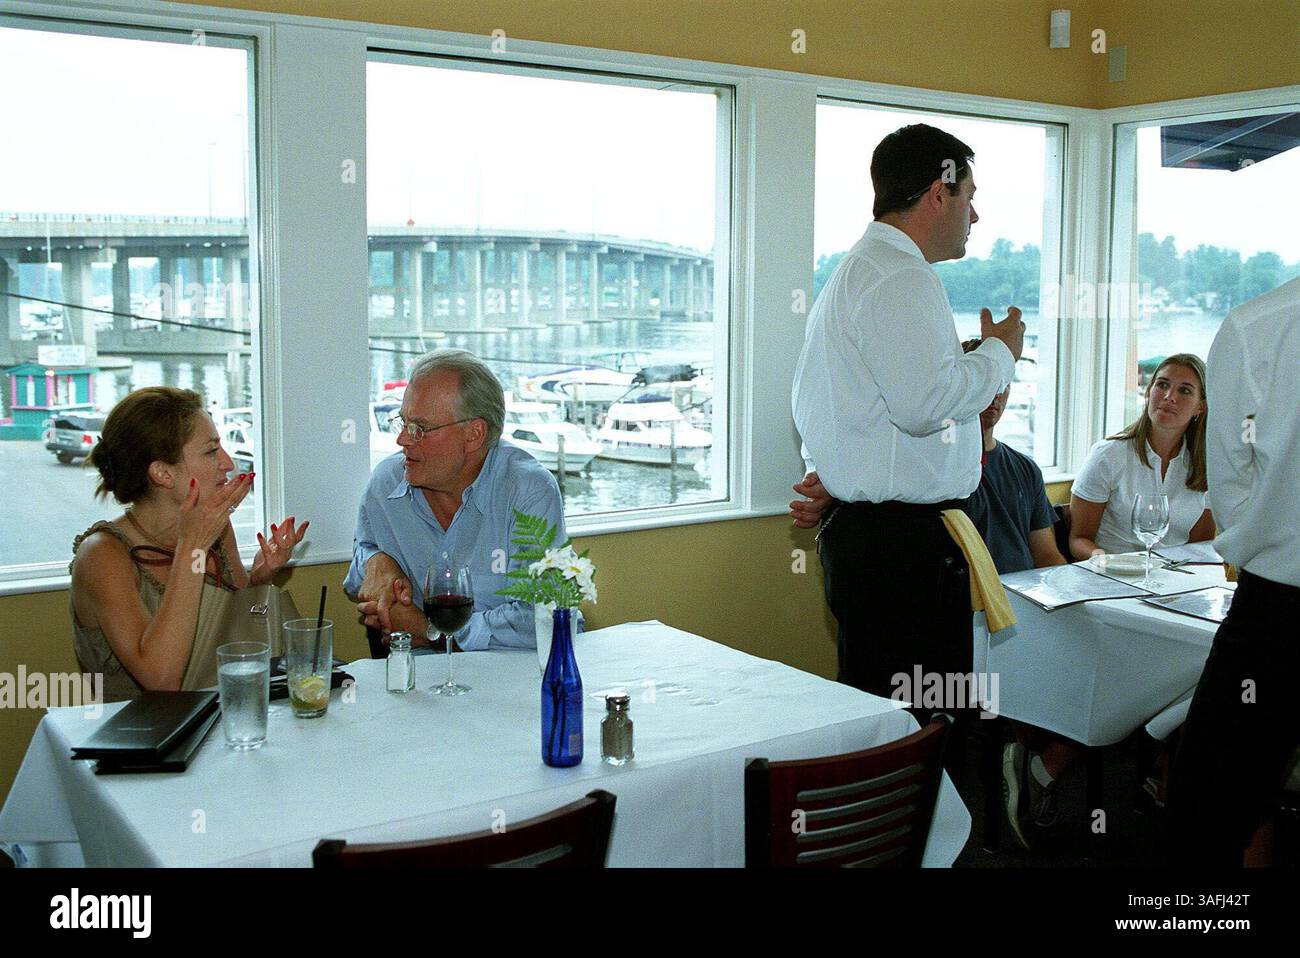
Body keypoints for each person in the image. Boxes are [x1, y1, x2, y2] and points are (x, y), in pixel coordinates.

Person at [790, 123, 1023, 721]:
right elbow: (925, 405)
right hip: (906, 552)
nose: (976, 216)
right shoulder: (900, 277)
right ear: (937, 193)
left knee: (891, 723)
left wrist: (836, 477)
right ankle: (930, 818)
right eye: (970, 197)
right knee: (923, 729)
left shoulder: (858, 273)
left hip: (880, 542)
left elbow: (816, 402)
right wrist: (1000, 353)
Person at [1168, 277, 1300, 867]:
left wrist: (1258, 546)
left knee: (1210, 800)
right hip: (1277, 598)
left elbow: (1232, 481)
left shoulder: (1258, 326)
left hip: (1280, 607)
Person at [70, 386, 308, 700]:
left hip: (221, 719)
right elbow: (162, 679)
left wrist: (261, 578)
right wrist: (194, 545)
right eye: (211, 451)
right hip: (144, 738)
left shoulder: (216, 530)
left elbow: (235, 629)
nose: (228, 463)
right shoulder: (103, 556)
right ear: (162, 473)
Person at [345, 348, 567, 650]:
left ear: (473, 434)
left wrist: (432, 631)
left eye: (420, 429)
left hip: (509, 682)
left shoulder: (527, 491)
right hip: (418, 686)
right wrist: (375, 561)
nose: (402, 440)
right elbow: (360, 564)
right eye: (403, 423)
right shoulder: (387, 484)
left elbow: (548, 616)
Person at [1067, 353, 1215, 560]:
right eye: (1162, 385)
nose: (1169, 396)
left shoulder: (1206, 467)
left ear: (1200, 406)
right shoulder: (1108, 455)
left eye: (1184, 390)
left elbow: (1199, 548)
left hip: (1175, 579)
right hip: (1112, 576)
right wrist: (1102, 560)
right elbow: (1078, 539)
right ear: (1149, 391)